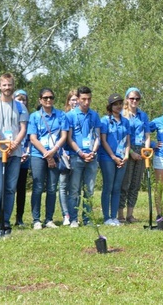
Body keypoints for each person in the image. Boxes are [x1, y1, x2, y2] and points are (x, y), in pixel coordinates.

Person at [0, 73, 29, 232]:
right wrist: (4, 143)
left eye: (10, 85)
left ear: (13, 86)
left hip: (15, 153)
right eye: (4, 85)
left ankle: (6, 220)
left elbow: (23, 128)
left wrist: (14, 144)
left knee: (10, 188)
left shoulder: (20, 106)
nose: (7, 88)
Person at [27, 88, 68, 229]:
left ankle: (49, 219)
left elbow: (64, 136)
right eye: (45, 98)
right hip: (38, 155)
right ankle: (36, 219)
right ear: (40, 100)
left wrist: (53, 151)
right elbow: (32, 138)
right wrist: (46, 153)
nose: (48, 100)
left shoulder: (61, 115)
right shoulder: (34, 116)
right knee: (38, 187)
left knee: (52, 188)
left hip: (55, 154)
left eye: (51, 97)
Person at [66, 86, 102, 227]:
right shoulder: (70, 115)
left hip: (92, 157)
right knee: (74, 189)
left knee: (89, 189)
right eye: (83, 99)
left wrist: (92, 152)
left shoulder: (94, 115)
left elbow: (97, 136)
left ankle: (87, 219)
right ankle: (73, 219)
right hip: (76, 156)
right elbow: (69, 138)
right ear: (78, 99)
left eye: (89, 99)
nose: (86, 102)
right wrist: (81, 153)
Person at [118, 87, 152, 224]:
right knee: (124, 184)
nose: (134, 101)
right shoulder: (122, 114)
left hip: (142, 151)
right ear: (127, 99)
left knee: (135, 184)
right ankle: (120, 214)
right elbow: (121, 136)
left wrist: (147, 150)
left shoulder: (143, 115)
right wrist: (131, 152)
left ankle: (130, 214)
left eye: (137, 98)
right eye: (132, 98)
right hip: (127, 151)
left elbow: (147, 134)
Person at [99, 93, 130, 226]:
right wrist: (113, 156)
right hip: (107, 158)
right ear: (110, 106)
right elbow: (103, 140)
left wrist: (127, 155)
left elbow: (128, 141)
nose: (118, 106)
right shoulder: (104, 120)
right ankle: (107, 218)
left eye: (120, 104)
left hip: (122, 158)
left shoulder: (126, 121)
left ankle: (114, 216)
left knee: (117, 187)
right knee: (108, 186)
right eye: (115, 104)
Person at [59, 90, 78, 225]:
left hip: (77, 156)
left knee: (75, 187)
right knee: (63, 185)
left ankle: (74, 214)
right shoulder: (63, 116)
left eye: (77, 99)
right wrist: (62, 151)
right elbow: (58, 137)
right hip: (63, 157)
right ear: (68, 102)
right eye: (72, 99)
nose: (75, 102)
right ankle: (66, 214)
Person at [13, 89, 31, 227]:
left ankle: (19, 218)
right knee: (8, 188)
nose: (21, 102)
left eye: (24, 99)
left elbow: (31, 138)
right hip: (11, 155)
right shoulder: (11, 115)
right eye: (19, 99)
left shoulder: (28, 118)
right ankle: (4, 216)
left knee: (21, 189)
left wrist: (27, 152)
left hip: (24, 157)